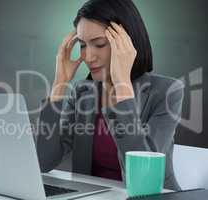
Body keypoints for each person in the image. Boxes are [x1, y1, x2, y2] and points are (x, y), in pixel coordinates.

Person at [36, 0, 184, 191]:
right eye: (82, 45)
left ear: (126, 43)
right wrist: (60, 83)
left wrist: (122, 85)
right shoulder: (82, 92)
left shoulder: (167, 91)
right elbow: (43, 162)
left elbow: (143, 179)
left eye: (99, 44)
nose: (88, 57)